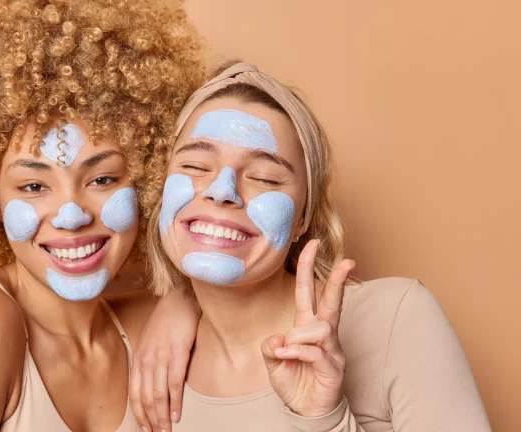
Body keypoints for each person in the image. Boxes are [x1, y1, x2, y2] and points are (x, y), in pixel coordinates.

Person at [0, 0, 204, 430]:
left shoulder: (153, 311)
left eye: (103, 179)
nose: (71, 215)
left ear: (147, 183)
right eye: (34, 187)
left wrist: (186, 299)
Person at [131, 62, 492, 431]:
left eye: (264, 177)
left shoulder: (397, 318)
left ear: (302, 219)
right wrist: (178, 299)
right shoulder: (145, 364)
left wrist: (324, 419)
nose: (222, 190)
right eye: (194, 165)